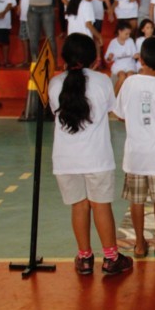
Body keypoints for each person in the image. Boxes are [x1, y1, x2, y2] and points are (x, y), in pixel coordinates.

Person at [48, 33, 133, 276]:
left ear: (64, 57)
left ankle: (84, 258)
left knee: (79, 206)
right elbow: (112, 110)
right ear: (94, 58)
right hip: (97, 157)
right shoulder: (102, 81)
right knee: (101, 206)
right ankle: (111, 258)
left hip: (66, 160)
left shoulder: (55, 84)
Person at [113, 36, 155, 258]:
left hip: (135, 154)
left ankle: (139, 244)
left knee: (136, 200)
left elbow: (119, 115)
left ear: (140, 59)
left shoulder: (129, 82)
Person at [66, 0, 103, 64]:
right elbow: (88, 24)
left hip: (72, 38)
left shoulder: (72, 4)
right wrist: (99, 36)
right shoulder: (87, 4)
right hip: (84, 39)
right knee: (85, 65)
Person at [105, 21, 137, 95]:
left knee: (130, 76)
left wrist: (136, 55)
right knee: (122, 76)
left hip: (130, 64)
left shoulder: (130, 41)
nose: (128, 36)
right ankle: (114, 97)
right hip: (119, 65)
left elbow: (134, 53)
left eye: (129, 34)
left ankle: (128, 97)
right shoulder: (113, 42)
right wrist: (109, 57)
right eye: (126, 34)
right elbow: (108, 58)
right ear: (119, 32)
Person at [16, 0, 31, 67]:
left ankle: (34, 60)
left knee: (33, 38)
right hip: (23, 14)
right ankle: (26, 60)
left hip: (33, 15)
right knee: (24, 37)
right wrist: (19, 6)